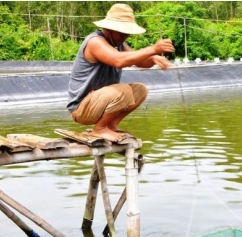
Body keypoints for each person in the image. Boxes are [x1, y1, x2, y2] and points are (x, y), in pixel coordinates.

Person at [67, 3, 175, 142]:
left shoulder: (118, 44)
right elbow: (119, 60)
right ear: (109, 28)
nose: (125, 36)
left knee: (139, 90)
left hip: (99, 102)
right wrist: (152, 49)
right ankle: (99, 129)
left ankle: (110, 125)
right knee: (123, 90)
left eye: (127, 32)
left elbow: (140, 62)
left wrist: (154, 58)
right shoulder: (95, 42)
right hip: (82, 109)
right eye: (121, 32)